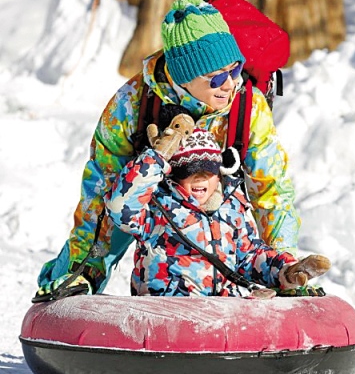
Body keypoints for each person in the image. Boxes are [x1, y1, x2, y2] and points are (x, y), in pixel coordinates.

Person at [34, 0, 302, 301]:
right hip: (145, 198)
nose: (230, 84)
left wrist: (286, 267)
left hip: (218, 202)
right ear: (185, 77)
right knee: (115, 210)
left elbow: (272, 191)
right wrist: (83, 270)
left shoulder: (248, 106)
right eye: (217, 78)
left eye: (235, 69)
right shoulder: (131, 105)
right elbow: (100, 196)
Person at [103, 123, 330, 298]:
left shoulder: (232, 208)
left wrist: (286, 270)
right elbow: (119, 206)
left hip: (222, 313)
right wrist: (157, 158)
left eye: (209, 171)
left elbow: (250, 256)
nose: (200, 177)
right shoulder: (157, 207)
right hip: (168, 311)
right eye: (190, 170)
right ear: (173, 174)